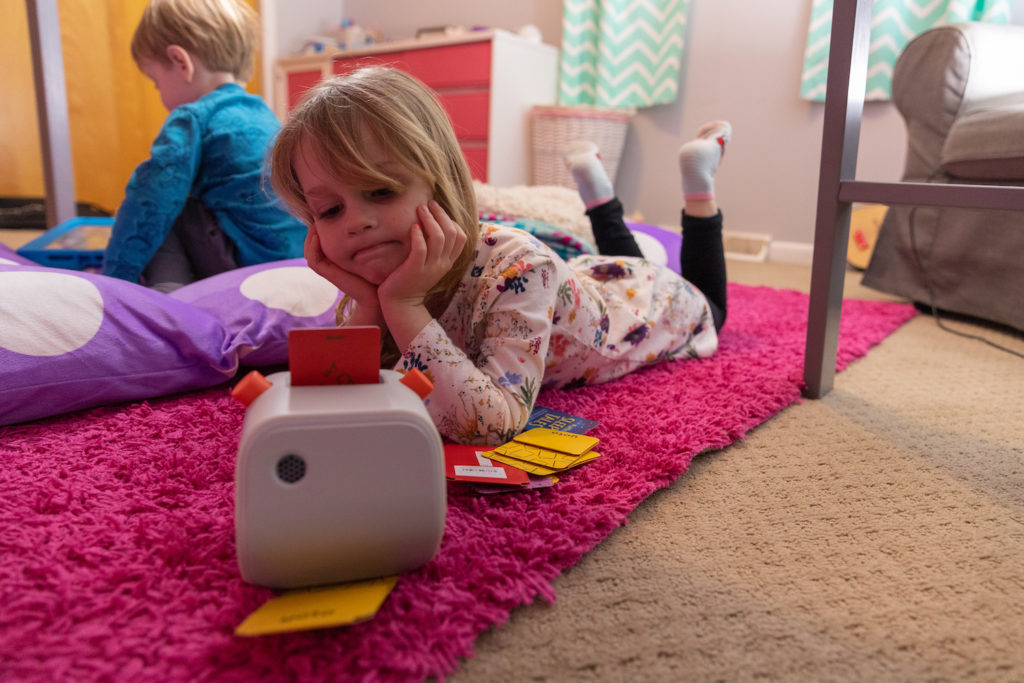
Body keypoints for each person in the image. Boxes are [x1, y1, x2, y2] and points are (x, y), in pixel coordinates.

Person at [269, 67, 727, 446]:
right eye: (329, 210)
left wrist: (403, 307)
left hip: (653, 308)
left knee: (712, 305)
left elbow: (492, 422)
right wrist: (369, 305)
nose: (355, 222)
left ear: (443, 184)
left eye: (381, 191)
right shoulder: (376, 277)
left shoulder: (524, 269)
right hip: (589, 282)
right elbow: (333, 395)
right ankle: (595, 191)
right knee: (620, 260)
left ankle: (698, 187)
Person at [102, 0, 305, 291]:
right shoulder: (262, 113)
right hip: (295, 262)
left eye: (156, 82)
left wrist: (112, 281)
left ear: (180, 62)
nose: (159, 93)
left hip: (246, 269)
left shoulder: (192, 117)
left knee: (161, 200)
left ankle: (169, 295)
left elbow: (148, 203)